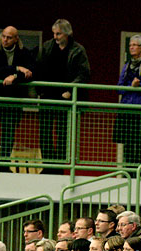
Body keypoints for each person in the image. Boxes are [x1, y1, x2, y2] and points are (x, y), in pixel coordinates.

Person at [36, 19, 89, 168]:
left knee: (63, 133)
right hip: (47, 95)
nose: (55, 37)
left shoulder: (78, 50)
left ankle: (59, 165)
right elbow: (38, 67)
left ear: (67, 34)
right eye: (54, 33)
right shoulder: (47, 47)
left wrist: (70, 90)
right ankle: (48, 165)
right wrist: (39, 90)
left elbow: (84, 73)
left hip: (66, 97)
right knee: (45, 132)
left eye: (58, 34)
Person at [0, 26, 34, 169]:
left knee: (8, 134)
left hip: (11, 100)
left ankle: (4, 165)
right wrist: (16, 69)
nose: (5, 40)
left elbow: (29, 73)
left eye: (9, 37)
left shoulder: (24, 52)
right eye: (3, 36)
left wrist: (14, 76)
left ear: (16, 39)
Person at [114, 35, 141, 165]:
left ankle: (137, 172)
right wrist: (131, 87)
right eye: (130, 45)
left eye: (134, 45)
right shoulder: (127, 66)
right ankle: (128, 171)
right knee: (127, 145)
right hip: (126, 109)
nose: (132, 47)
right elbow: (119, 89)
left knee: (140, 145)